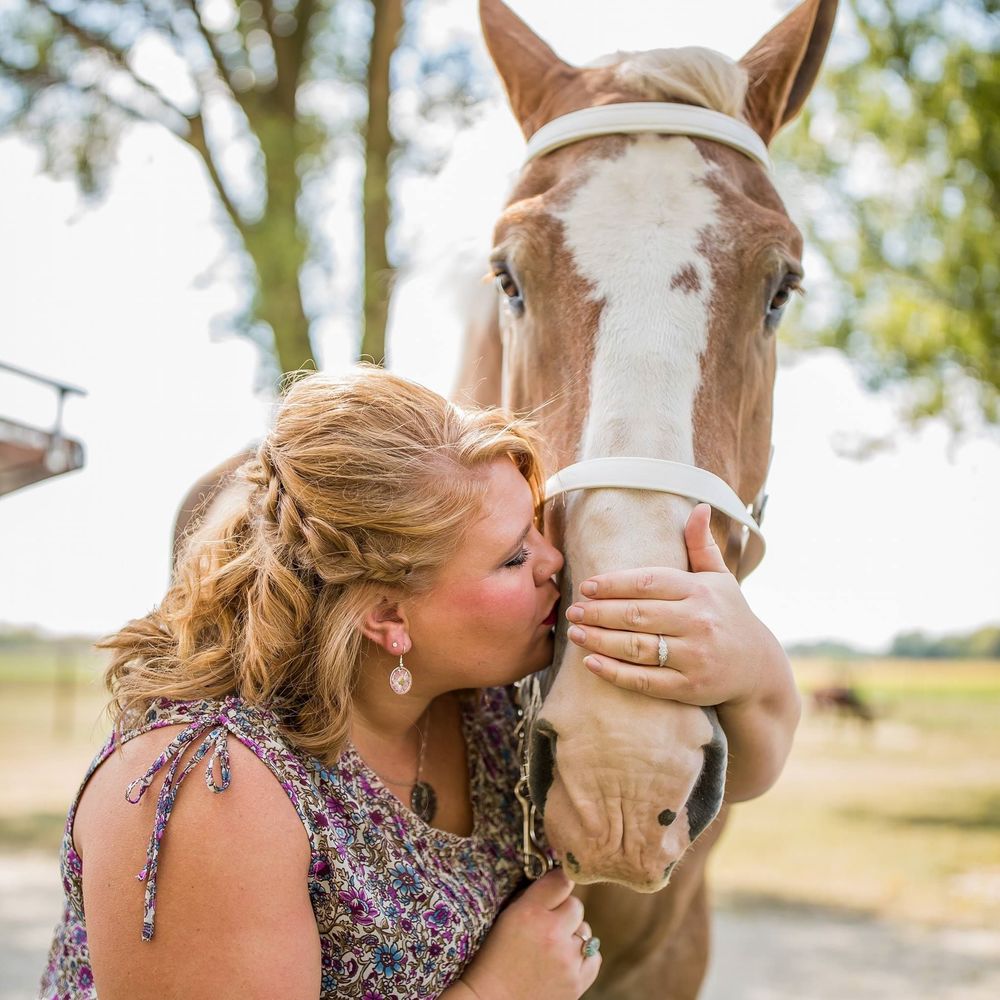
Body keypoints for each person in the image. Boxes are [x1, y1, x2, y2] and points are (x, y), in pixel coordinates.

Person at [40, 368, 799, 1000]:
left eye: (539, 529)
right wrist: (495, 994)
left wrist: (747, 658)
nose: (555, 563)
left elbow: (732, 777)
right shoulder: (208, 788)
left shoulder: (491, 708)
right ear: (387, 617)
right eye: (513, 557)